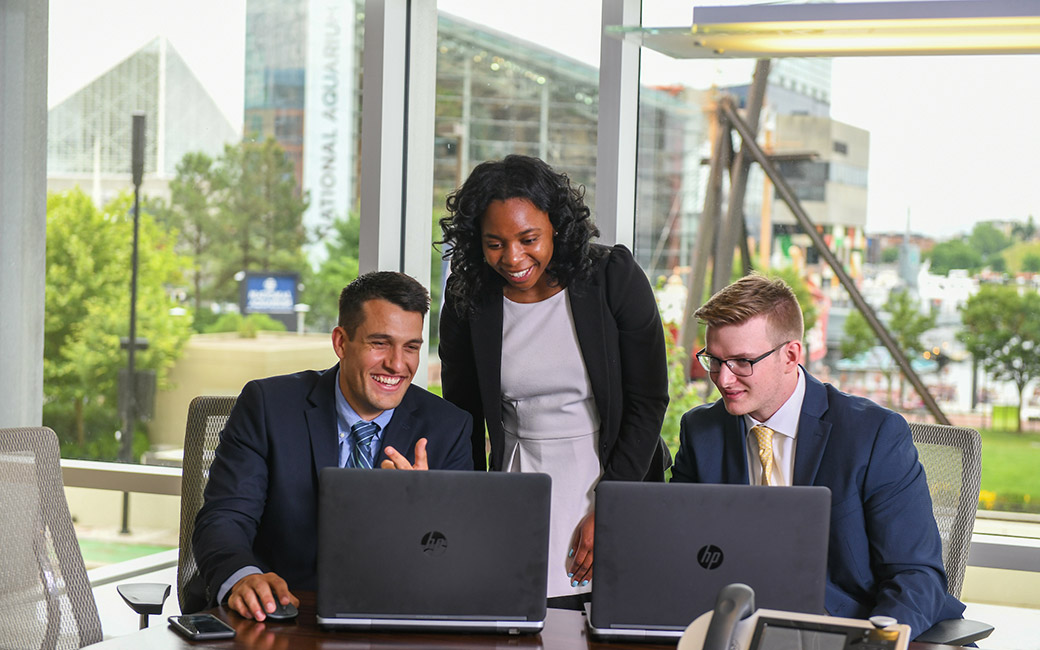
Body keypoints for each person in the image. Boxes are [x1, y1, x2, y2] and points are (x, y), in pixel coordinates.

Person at [671, 274, 964, 639]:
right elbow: (679, 550)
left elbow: (915, 575)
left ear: (791, 355)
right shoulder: (701, 431)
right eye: (714, 360)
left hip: (848, 628)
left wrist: (874, 644)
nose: (723, 379)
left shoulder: (872, 435)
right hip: (739, 628)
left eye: (742, 362)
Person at [438, 154, 669, 607]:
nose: (513, 258)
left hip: (609, 474)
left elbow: (648, 401)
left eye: (529, 239)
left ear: (557, 227)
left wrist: (611, 505)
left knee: (602, 617)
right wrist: (469, 509)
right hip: (517, 481)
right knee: (515, 614)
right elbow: (461, 415)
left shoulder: (613, 277)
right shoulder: (469, 298)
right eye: (494, 243)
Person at [193, 271, 473, 620]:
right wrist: (243, 577)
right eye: (380, 343)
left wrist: (420, 515)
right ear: (341, 342)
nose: (397, 364)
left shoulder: (448, 427)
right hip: (282, 612)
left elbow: (458, 558)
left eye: (411, 347)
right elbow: (225, 517)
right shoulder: (268, 406)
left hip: (393, 617)